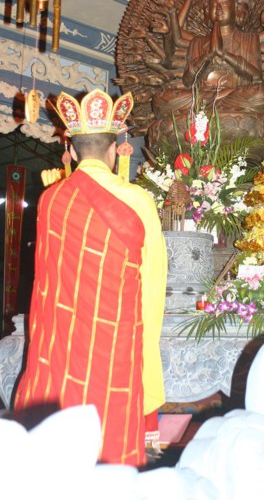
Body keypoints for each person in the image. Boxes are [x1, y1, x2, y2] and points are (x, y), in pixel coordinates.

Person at [14, 89, 167, 467]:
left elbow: (44, 283)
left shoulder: (51, 199)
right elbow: (152, 285)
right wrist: (148, 353)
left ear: (72, 149)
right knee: (109, 433)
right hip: (116, 342)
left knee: (59, 433)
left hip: (59, 343)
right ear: (115, 150)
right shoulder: (137, 200)